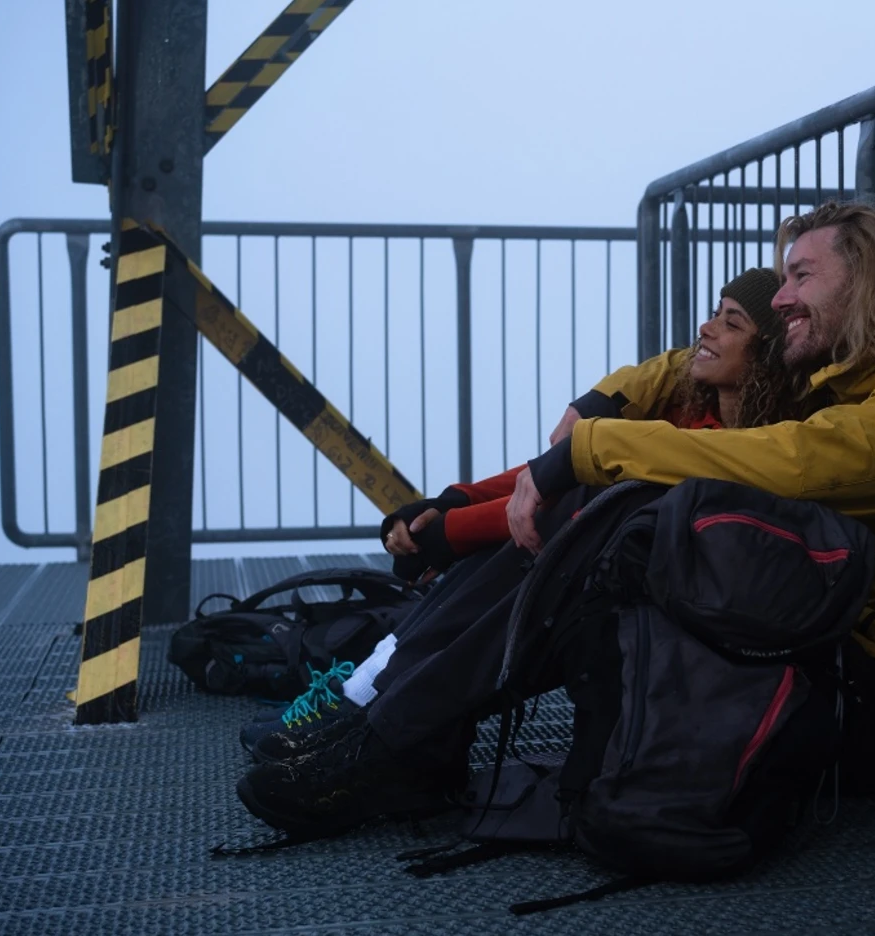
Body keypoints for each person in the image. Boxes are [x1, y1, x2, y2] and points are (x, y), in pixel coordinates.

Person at [236, 201, 875, 835]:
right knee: (602, 512)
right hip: (811, 636)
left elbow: (797, 462)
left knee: (616, 510)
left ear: (868, 280)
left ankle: (396, 733)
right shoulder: (848, 364)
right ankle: (399, 730)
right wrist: (606, 401)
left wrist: (589, 448)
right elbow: (685, 365)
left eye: (800, 275)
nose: (781, 298)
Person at [240, 268, 801, 765]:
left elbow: (577, 489)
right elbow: (550, 474)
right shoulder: (685, 413)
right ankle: (374, 695)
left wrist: (454, 532)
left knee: (535, 547)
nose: (706, 329)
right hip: (611, 573)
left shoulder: (742, 444)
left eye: (732, 323)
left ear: (767, 356)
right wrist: (454, 504)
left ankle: (383, 709)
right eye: (713, 312)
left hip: (671, 599)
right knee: (512, 546)